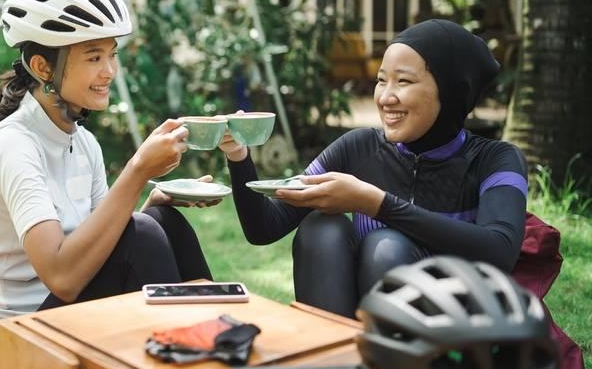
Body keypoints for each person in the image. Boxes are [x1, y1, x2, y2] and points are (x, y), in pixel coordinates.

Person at [0, 0, 215, 356]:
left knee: (163, 223)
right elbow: (63, 276)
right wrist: (138, 170)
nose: (109, 71)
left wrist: (151, 202)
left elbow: (103, 248)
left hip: (56, 314)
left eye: (112, 54)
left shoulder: (83, 142)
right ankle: (195, 357)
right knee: (144, 232)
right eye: (94, 57)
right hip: (7, 338)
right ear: (43, 67)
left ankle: (214, 337)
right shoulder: (13, 145)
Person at [220, 19, 527, 318]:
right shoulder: (358, 148)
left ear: (450, 92)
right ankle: (335, 358)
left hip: (457, 321)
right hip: (360, 320)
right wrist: (238, 155)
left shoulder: (495, 159)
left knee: (387, 245)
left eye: (403, 81)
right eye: (382, 80)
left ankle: (396, 366)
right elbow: (264, 227)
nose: (385, 97)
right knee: (320, 229)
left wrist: (375, 204)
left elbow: (499, 251)